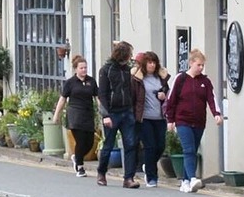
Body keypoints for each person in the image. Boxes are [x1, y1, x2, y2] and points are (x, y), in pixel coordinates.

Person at [164, 48, 223, 194]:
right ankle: (192, 178)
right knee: (188, 150)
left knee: (192, 151)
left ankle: (185, 182)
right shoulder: (180, 79)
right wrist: (170, 119)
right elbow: (171, 99)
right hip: (182, 120)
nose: (201, 68)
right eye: (198, 65)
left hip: (199, 122)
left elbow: (211, 98)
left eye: (203, 65)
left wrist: (216, 114)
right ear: (191, 63)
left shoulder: (205, 81)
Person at [96, 41, 140, 188]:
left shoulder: (127, 70)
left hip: (127, 111)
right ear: (123, 55)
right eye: (129, 54)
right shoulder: (106, 70)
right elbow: (102, 94)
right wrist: (105, 115)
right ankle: (101, 173)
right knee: (108, 145)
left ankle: (129, 178)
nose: (130, 57)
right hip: (112, 113)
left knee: (131, 144)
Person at [53, 55, 98, 177]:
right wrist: (56, 115)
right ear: (76, 69)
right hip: (75, 115)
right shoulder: (70, 83)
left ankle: (76, 157)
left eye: (85, 68)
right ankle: (80, 167)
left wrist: (103, 111)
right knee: (81, 141)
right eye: (81, 68)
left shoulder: (91, 81)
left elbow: (97, 97)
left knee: (89, 143)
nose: (84, 70)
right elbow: (63, 99)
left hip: (88, 114)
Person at [133, 50, 171, 188]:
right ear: (144, 64)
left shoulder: (161, 78)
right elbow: (134, 97)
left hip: (159, 117)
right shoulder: (138, 79)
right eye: (149, 62)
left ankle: (148, 164)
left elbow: (168, 92)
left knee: (160, 146)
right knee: (150, 146)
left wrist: (163, 95)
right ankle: (151, 177)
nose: (152, 65)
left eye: (154, 62)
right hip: (145, 118)